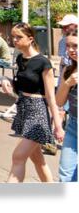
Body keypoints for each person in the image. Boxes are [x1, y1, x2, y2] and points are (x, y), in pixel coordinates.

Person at [0, 22, 64, 182]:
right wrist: (6, 80)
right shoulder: (21, 58)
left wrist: (58, 126)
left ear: (30, 39)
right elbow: (21, 86)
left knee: (18, 157)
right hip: (24, 110)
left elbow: (50, 96)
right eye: (13, 36)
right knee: (38, 161)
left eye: (18, 37)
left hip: (38, 114)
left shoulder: (43, 63)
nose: (14, 40)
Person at [55, 31, 77, 182]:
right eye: (67, 46)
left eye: (75, 46)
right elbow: (59, 102)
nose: (70, 50)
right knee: (65, 176)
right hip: (73, 126)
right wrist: (68, 83)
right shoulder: (68, 70)